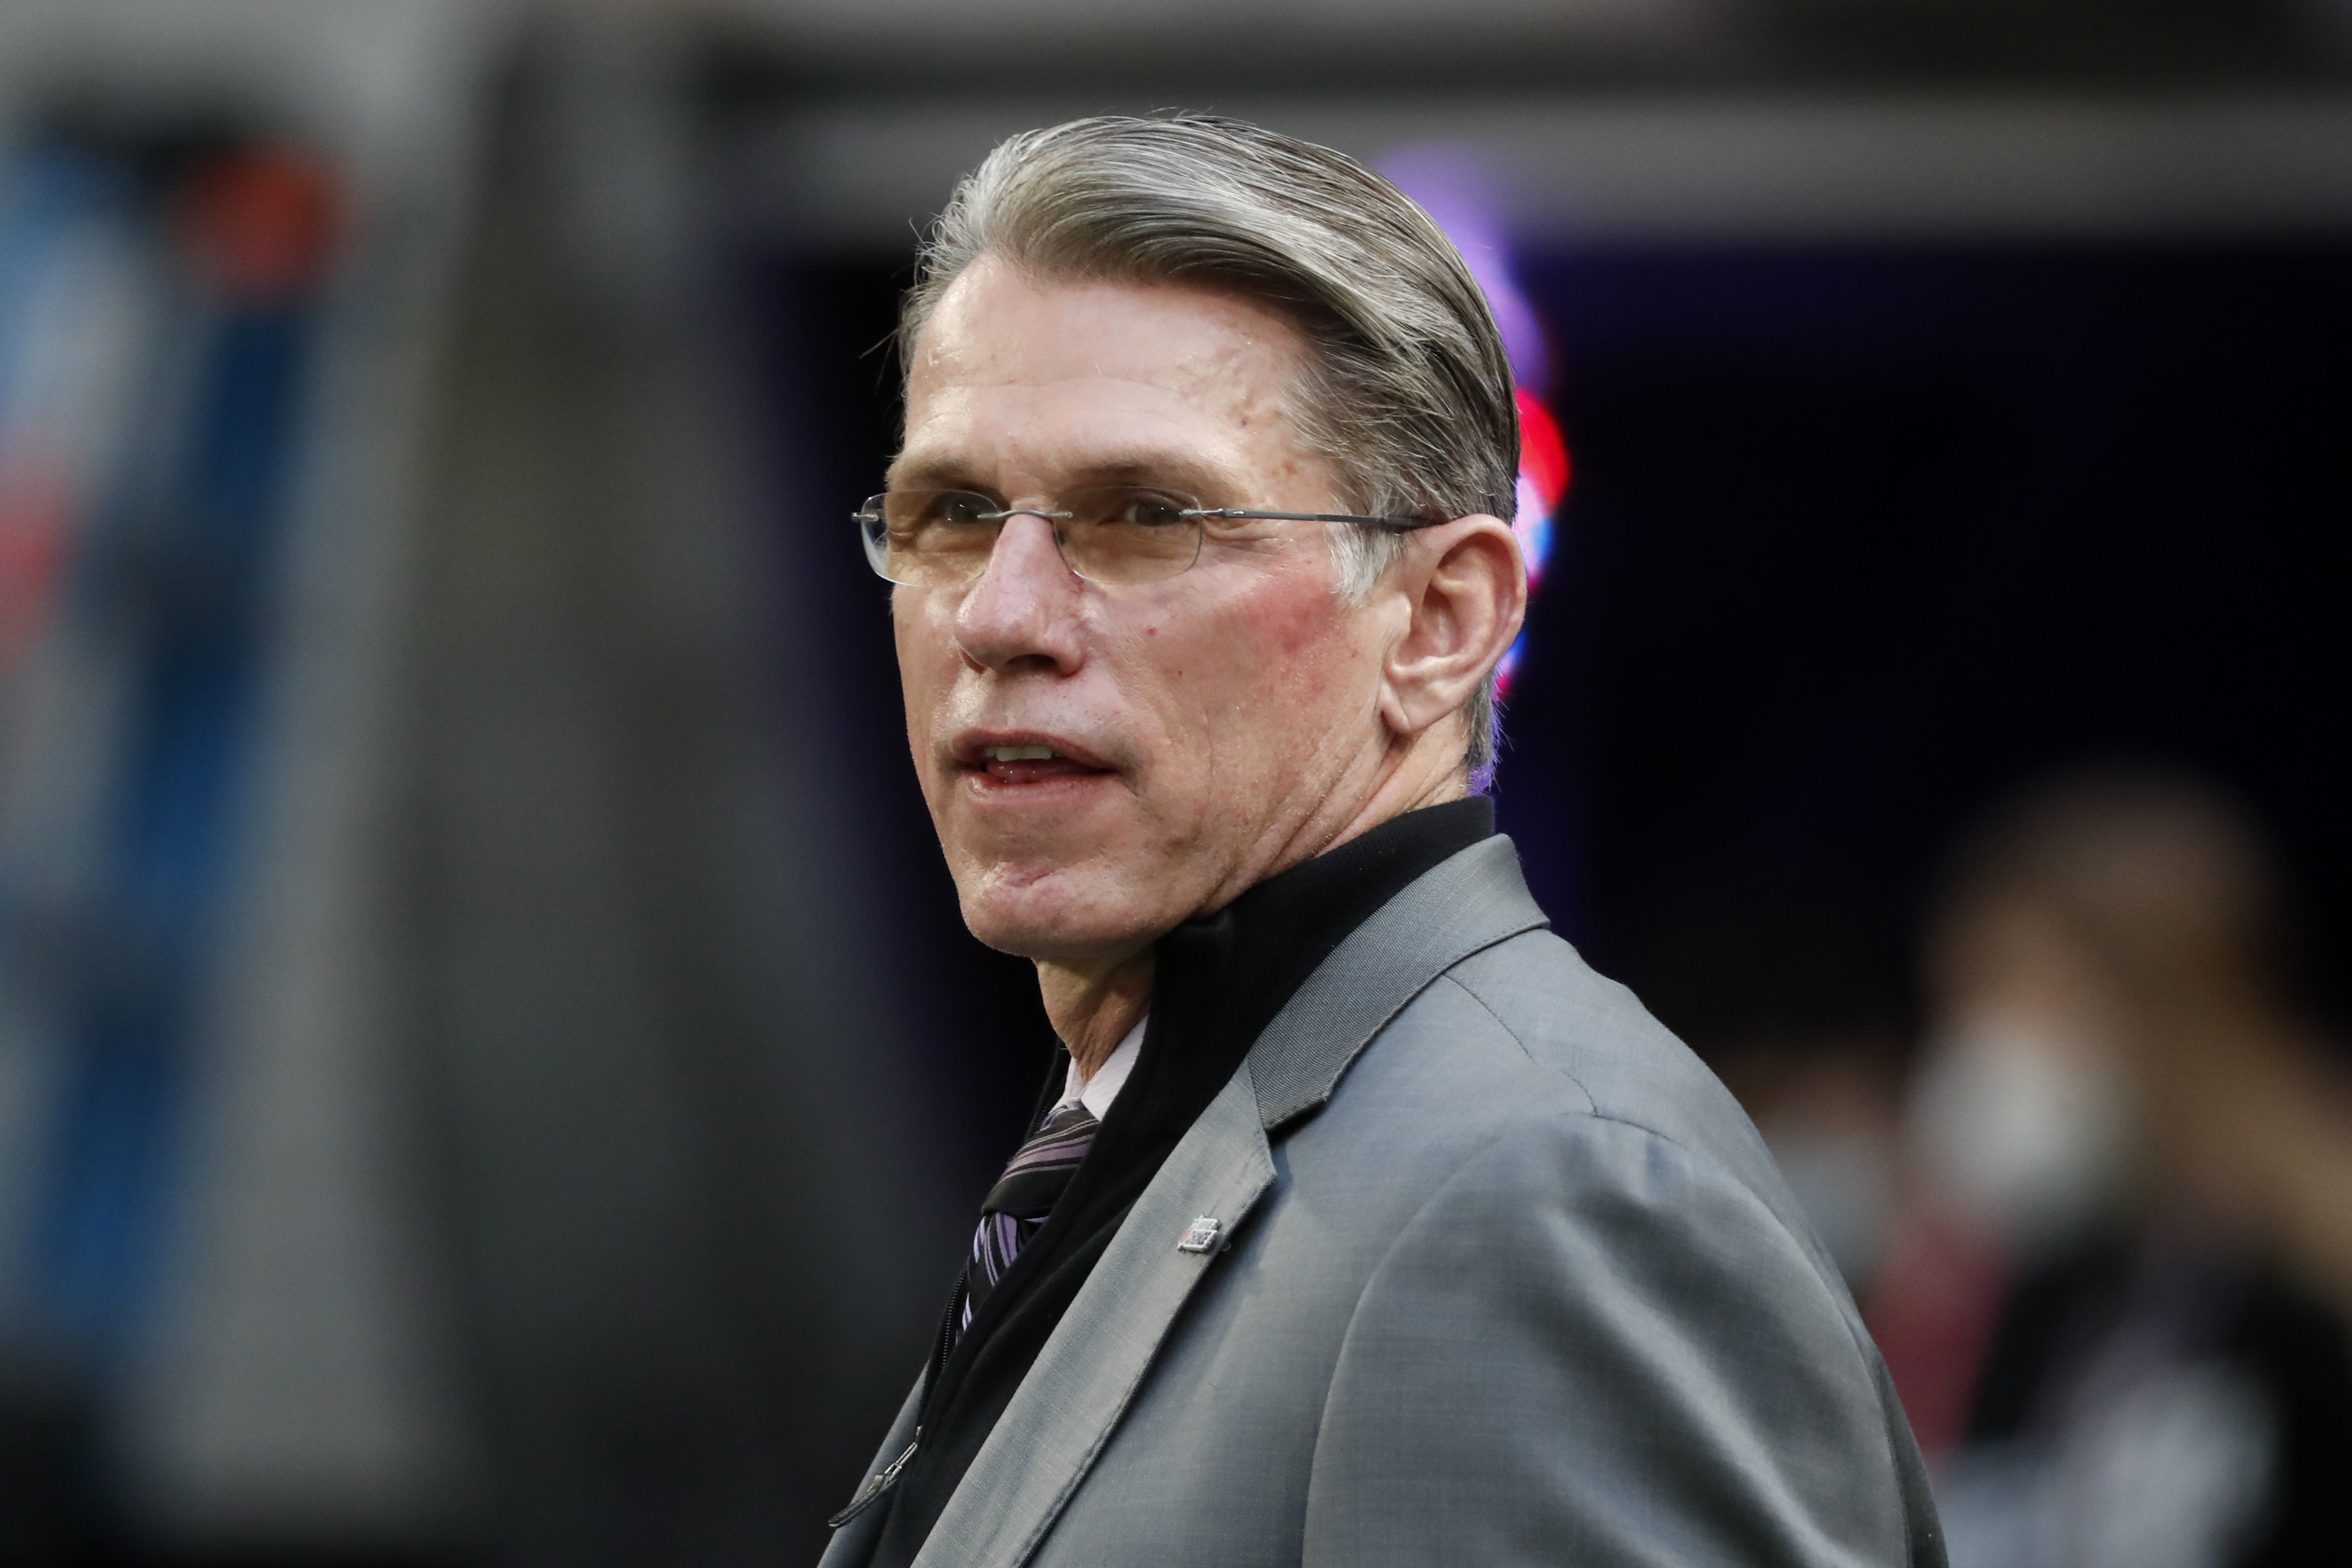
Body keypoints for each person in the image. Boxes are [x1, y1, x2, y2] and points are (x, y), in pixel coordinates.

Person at [820, 114, 1941, 1568]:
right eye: (955, 513)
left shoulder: (1541, 1195)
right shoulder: (1171, 1117)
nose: (999, 616)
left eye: (1147, 515)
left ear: (1439, 621)